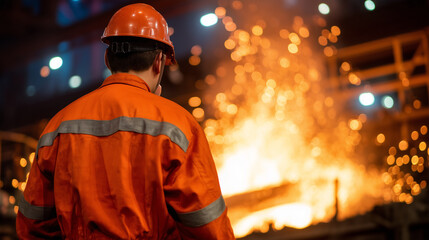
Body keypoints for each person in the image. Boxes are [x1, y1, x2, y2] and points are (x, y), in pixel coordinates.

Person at [16, 3, 235, 239]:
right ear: (159, 62)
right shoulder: (178, 125)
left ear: (108, 59)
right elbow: (207, 226)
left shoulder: (57, 127)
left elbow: (33, 226)